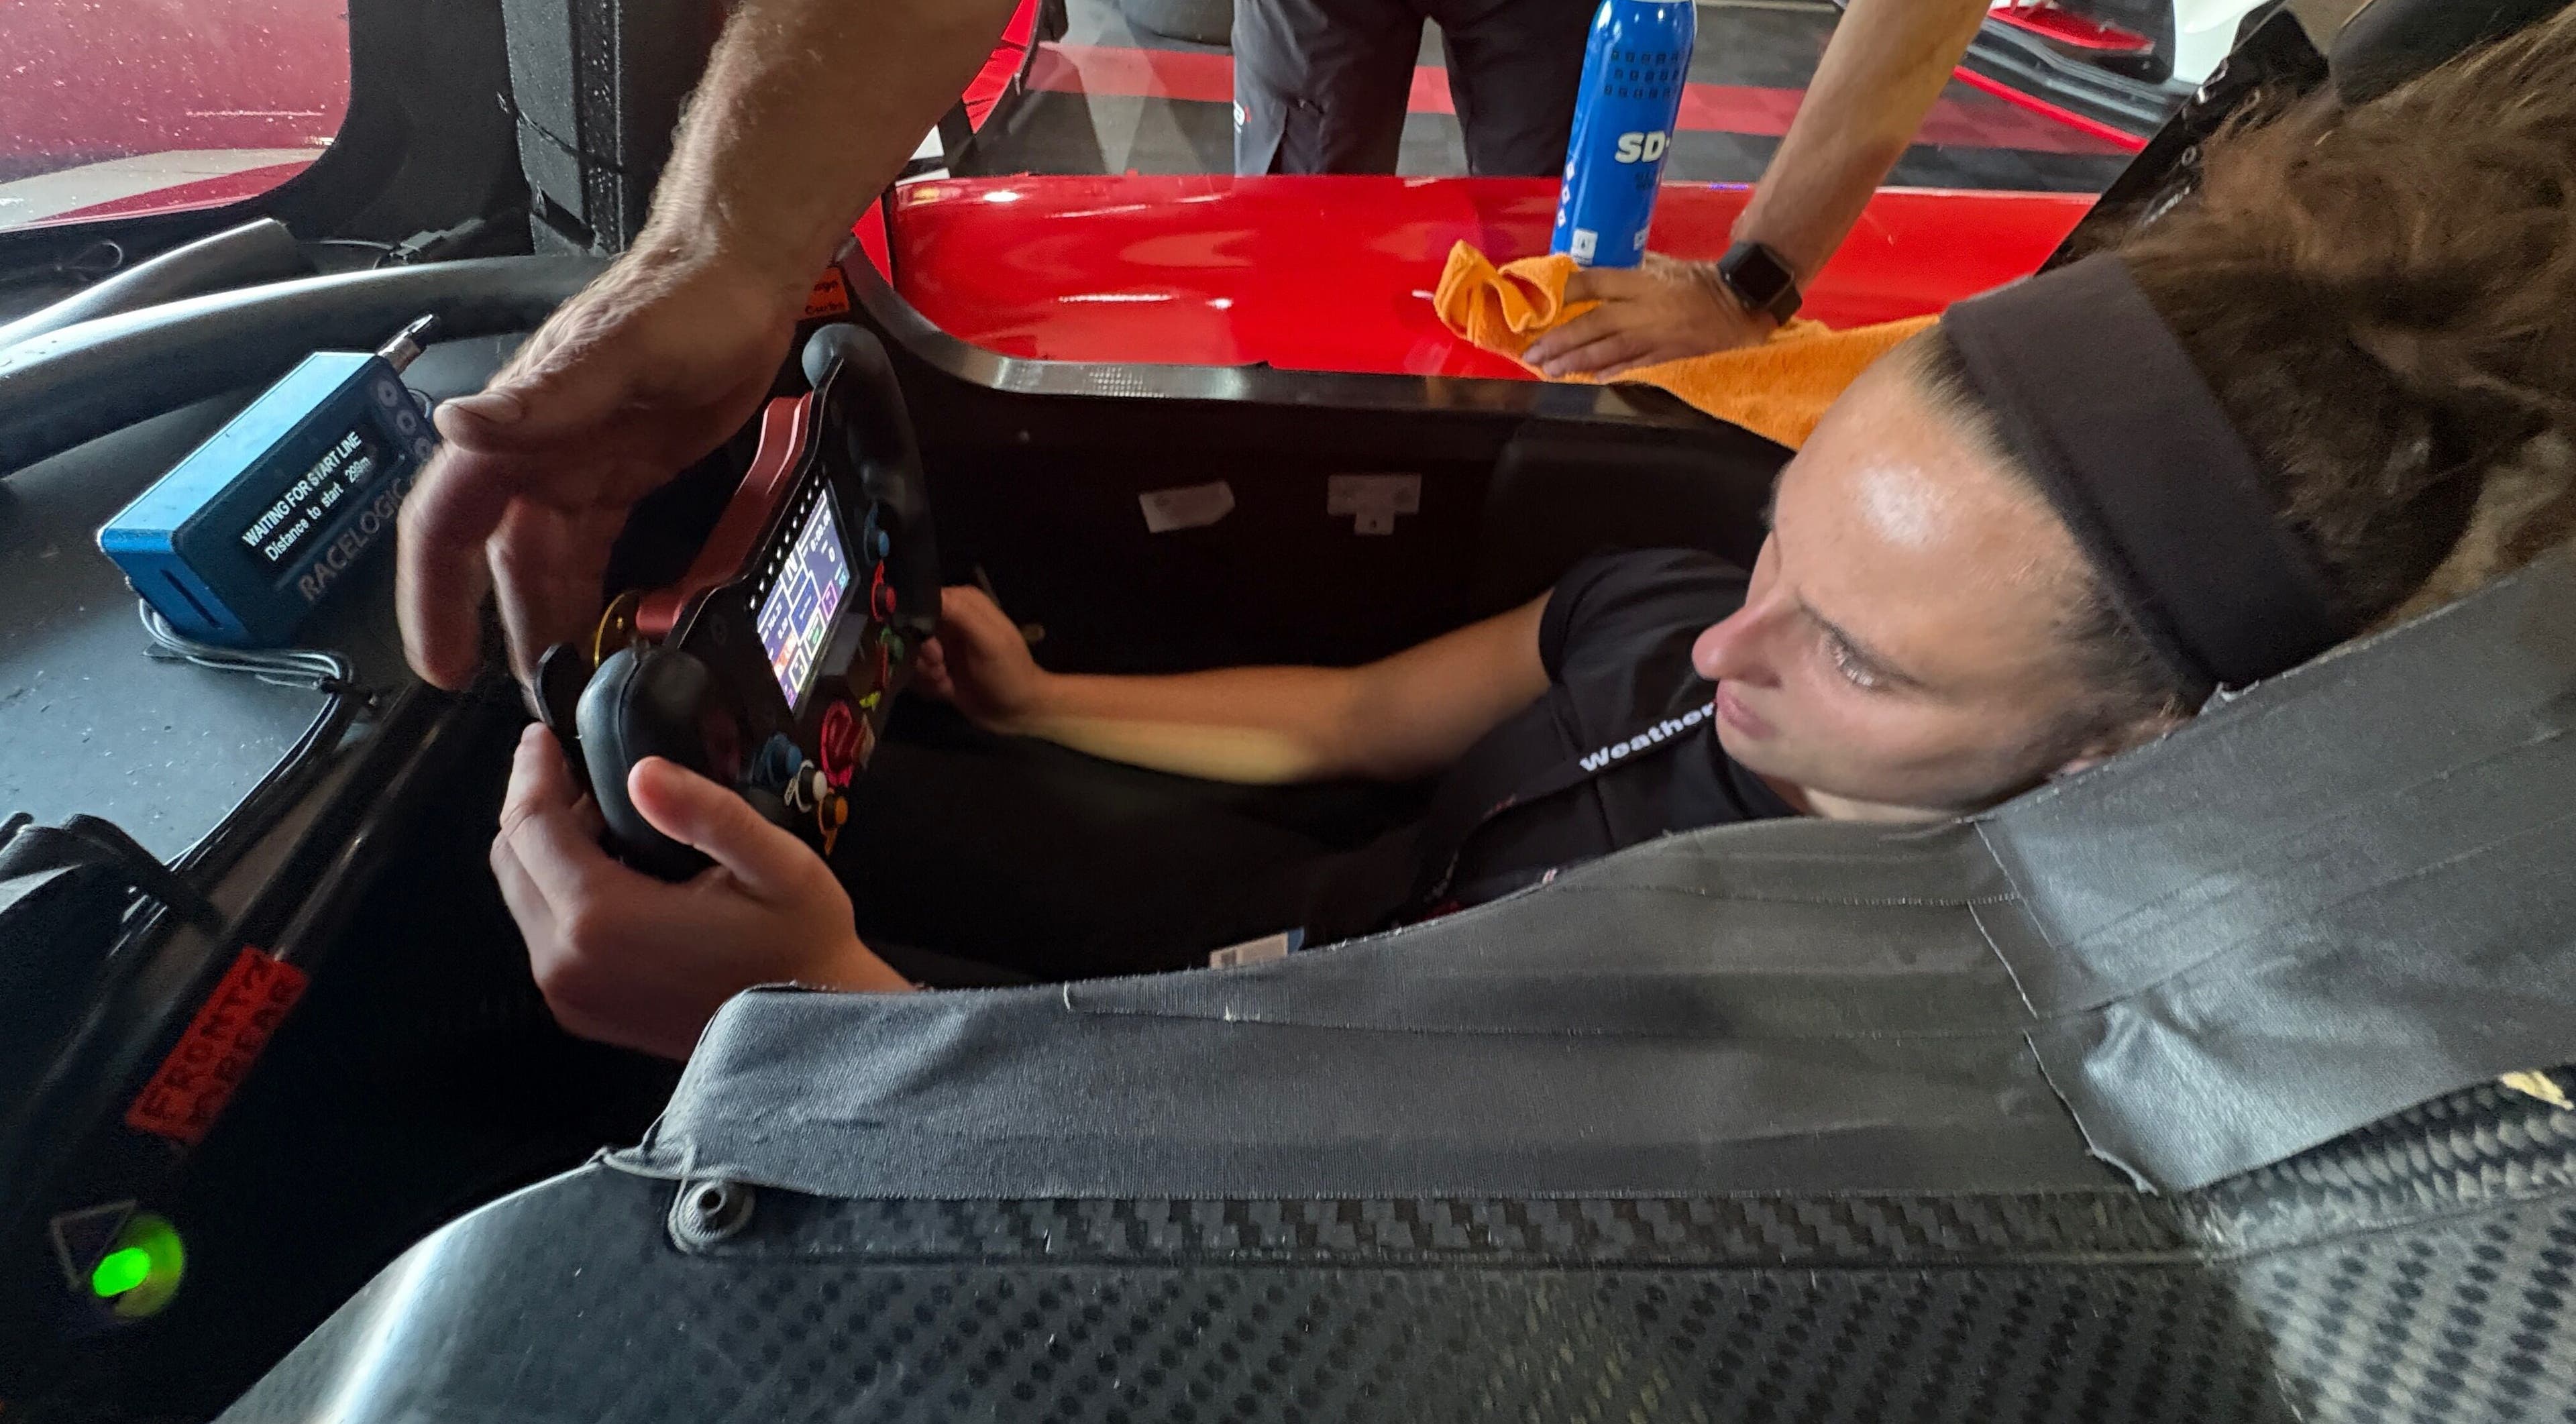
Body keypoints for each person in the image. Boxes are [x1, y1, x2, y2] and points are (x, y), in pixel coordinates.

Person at [486, 15, 2576, 1058]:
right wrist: (1048, 700)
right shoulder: (1690, 621)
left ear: (2141, 760)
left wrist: (824, 1021)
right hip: (1322, 918)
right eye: (1790, 558)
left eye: (1862, 660)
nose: (1728, 658)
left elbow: (1363, 1232)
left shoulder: (1807, 1031)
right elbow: (1350, 717)